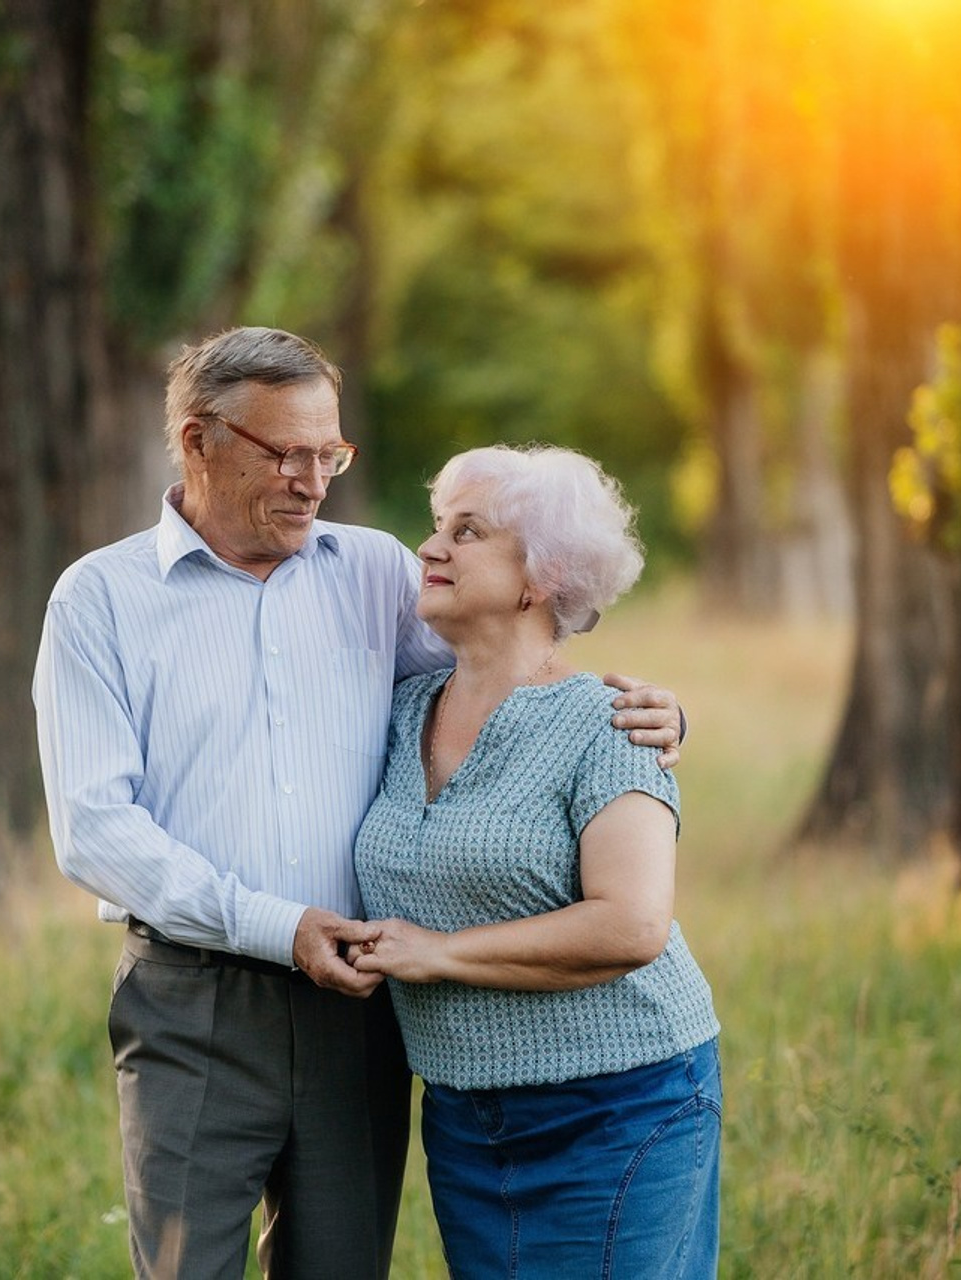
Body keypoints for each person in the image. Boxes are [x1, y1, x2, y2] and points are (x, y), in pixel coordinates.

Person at [32, 327, 685, 1280]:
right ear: (197, 439)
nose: (310, 479)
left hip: (366, 1003)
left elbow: (514, 679)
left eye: (328, 455)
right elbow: (94, 827)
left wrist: (656, 713)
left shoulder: (375, 572)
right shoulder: (101, 600)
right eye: (284, 453)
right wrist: (277, 925)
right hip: (195, 1002)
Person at [350, 443, 721, 1279]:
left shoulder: (609, 725)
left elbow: (631, 925)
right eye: (437, 526)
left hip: (622, 1106)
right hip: (464, 1116)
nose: (431, 547)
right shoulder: (398, 709)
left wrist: (439, 954)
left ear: (539, 578)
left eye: (467, 531)